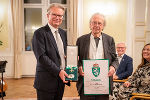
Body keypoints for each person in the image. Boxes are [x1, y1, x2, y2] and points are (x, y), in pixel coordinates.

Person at [76, 13, 119, 100]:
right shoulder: (81, 40)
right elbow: (75, 60)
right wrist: (79, 66)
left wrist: (113, 67)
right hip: (86, 82)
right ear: (90, 24)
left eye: (99, 23)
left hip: (103, 83)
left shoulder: (110, 40)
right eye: (94, 22)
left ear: (103, 26)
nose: (96, 25)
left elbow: (115, 59)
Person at [32, 3, 69, 100]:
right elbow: (42, 57)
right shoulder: (39, 33)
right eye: (54, 14)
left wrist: (71, 57)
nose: (58, 17)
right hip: (46, 81)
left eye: (60, 15)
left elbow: (63, 53)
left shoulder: (63, 33)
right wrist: (58, 71)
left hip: (61, 80)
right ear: (48, 15)